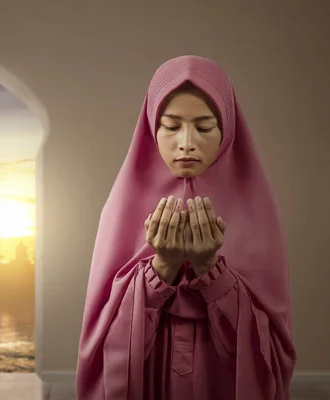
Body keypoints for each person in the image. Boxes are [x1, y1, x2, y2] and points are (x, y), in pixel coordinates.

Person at [75, 55, 297, 399]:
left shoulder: (257, 212)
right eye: (172, 125)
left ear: (227, 129)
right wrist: (163, 267)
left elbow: (270, 341)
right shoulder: (121, 209)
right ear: (152, 127)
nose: (187, 142)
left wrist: (210, 268)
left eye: (204, 127)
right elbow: (104, 332)